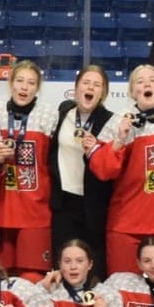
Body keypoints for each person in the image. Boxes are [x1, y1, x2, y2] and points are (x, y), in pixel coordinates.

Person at [91, 65, 154, 280]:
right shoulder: (119, 122)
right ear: (132, 92)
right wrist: (120, 139)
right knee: (123, 291)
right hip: (128, 224)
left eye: (152, 80)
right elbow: (103, 171)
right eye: (140, 81)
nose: (147, 84)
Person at [0, 61, 57, 279]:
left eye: (31, 83)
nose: (24, 87)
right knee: (1, 278)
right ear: (11, 83)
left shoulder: (49, 115)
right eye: (20, 81)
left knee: (32, 278)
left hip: (36, 213)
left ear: (38, 88)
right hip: (1, 210)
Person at [48, 65, 115, 276]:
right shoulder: (63, 113)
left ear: (103, 92)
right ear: (76, 89)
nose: (90, 88)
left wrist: (96, 150)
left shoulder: (111, 121)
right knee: (63, 264)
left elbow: (112, 165)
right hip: (64, 203)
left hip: (94, 206)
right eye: (86, 83)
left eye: (97, 85)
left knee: (94, 268)